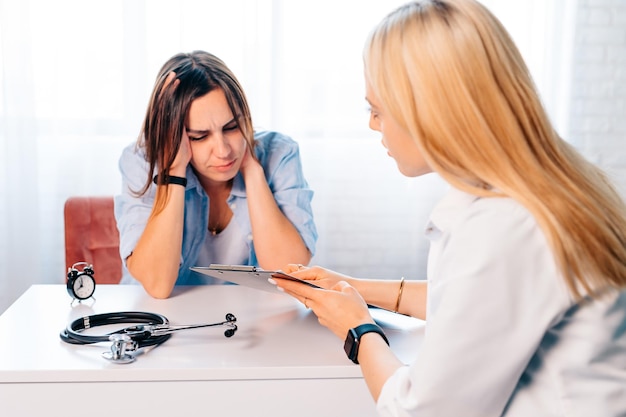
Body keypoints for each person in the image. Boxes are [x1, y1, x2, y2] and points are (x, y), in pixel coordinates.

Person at [270, 1, 626, 416]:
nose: (372, 124)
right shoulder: (544, 190)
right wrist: (352, 289)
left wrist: (357, 328)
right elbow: (471, 301)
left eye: (377, 110)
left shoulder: (502, 227)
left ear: (429, 110)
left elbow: (420, 410)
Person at [115, 50, 317, 299]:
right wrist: (174, 172)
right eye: (199, 136)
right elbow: (158, 286)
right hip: (160, 319)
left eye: (232, 127)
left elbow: (288, 273)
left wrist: (251, 168)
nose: (223, 151)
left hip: (244, 320)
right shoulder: (142, 161)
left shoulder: (280, 153)